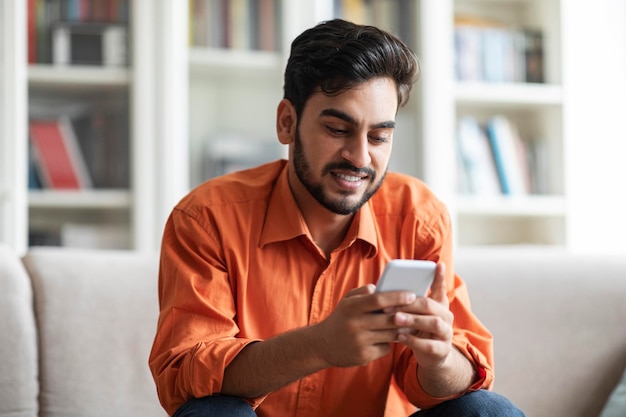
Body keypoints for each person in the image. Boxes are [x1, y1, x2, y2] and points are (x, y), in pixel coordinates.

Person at [149, 19, 525, 417]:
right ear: (287, 122)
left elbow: (463, 376)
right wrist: (320, 345)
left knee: (486, 410)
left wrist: (438, 359)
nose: (361, 157)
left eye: (379, 136)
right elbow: (184, 373)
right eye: (337, 128)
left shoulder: (418, 216)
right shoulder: (208, 218)